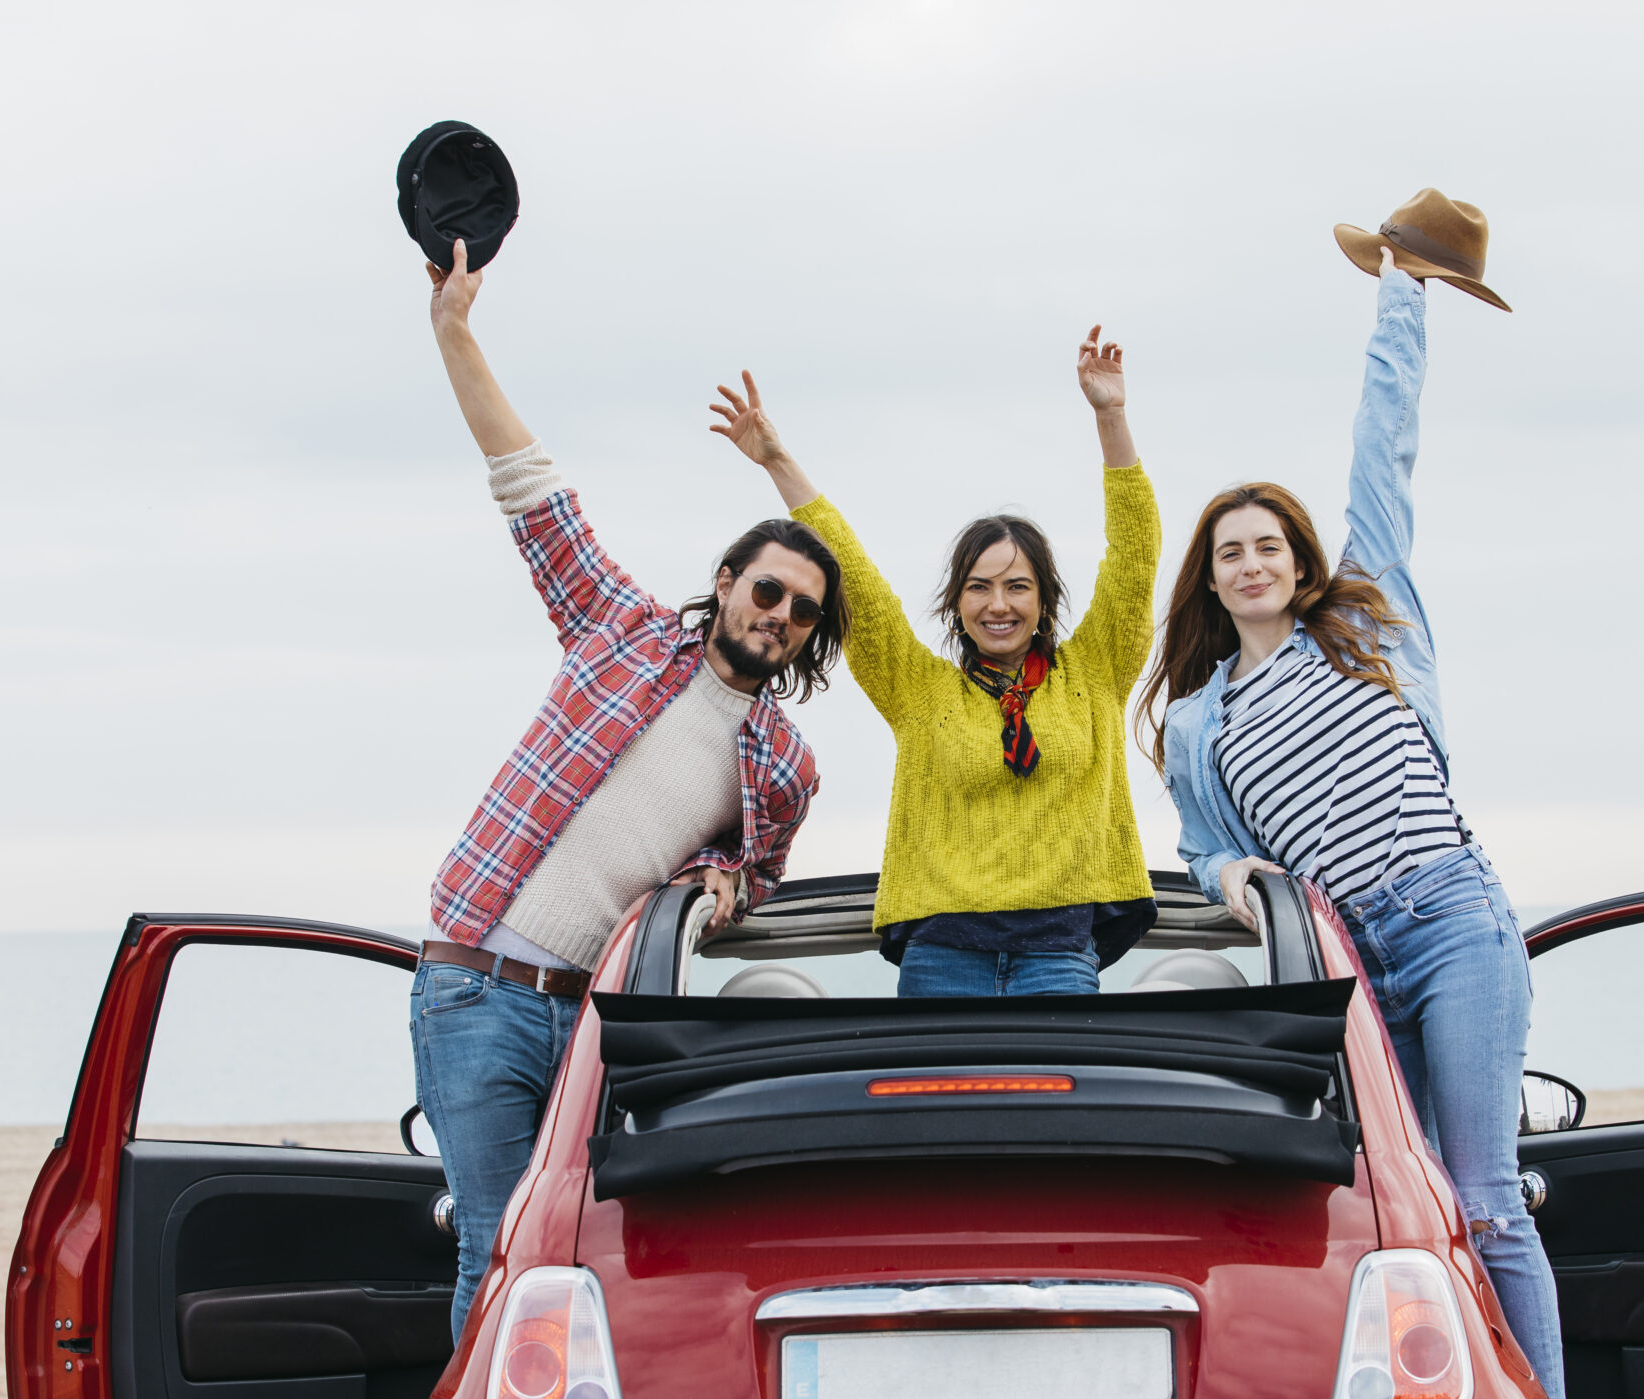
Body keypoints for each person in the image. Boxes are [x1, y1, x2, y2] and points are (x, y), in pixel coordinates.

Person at [1137, 191, 1591, 1399]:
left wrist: (1401, 292)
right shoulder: (1198, 720)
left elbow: (1383, 441)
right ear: (1212, 584)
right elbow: (1209, 851)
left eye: (1269, 541)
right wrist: (1224, 879)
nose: (1254, 559)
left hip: (1447, 917)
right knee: (1401, 1210)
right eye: (1231, 552)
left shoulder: (1370, 612)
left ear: (1299, 556)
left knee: (1487, 1197)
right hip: (1352, 961)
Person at [414, 239, 845, 1334]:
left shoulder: (782, 764)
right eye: (766, 590)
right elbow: (532, 490)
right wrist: (456, 336)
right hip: (476, 985)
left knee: (577, 1255)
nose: (777, 617)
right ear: (725, 584)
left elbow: (752, 887)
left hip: (596, 1023)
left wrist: (721, 887)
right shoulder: (619, 635)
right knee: (493, 1243)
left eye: (800, 611)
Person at [710, 328, 1161, 998]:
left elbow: (1135, 554)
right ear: (956, 603)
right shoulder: (920, 690)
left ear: (1044, 600)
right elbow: (855, 581)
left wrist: (1111, 416)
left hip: (1060, 957)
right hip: (941, 960)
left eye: (1017, 586)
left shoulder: (1094, 673)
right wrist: (778, 460)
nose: (998, 604)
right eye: (978, 587)